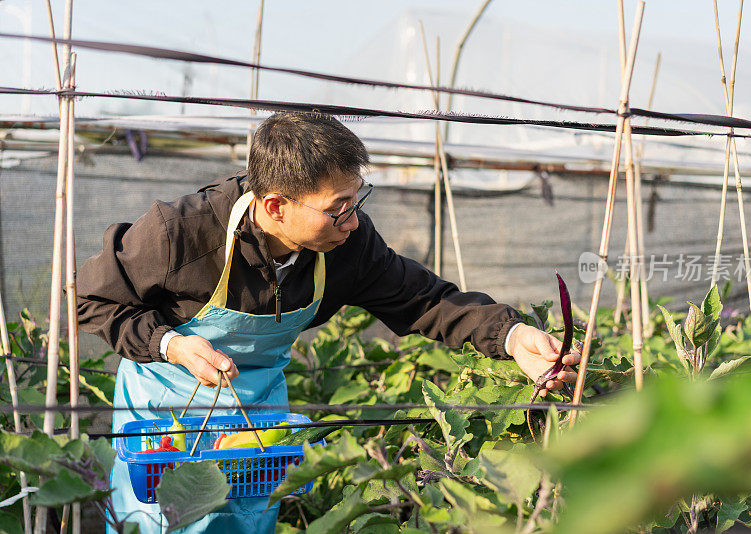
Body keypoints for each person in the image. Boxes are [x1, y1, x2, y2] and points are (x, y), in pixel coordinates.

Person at [76, 112, 579, 534]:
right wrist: (169, 344)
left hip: (257, 410)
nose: (353, 220)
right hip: (166, 409)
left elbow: (421, 299)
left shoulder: (346, 245)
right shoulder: (180, 232)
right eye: (337, 208)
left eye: (356, 200)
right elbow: (92, 298)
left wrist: (511, 337)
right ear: (275, 205)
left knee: (247, 520)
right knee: (168, 515)